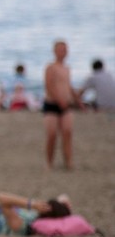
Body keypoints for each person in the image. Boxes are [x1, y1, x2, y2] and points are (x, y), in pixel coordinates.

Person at [0, 190, 72, 236]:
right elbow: (64, 198)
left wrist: (32, 204)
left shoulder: (23, 227)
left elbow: (2, 198)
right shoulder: (35, 218)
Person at [43, 40, 80, 170]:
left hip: (66, 105)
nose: (63, 52)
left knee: (67, 132)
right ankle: (49, 162)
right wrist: (59, 101)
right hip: (52, 105)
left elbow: (69, 86)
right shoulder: (51, 67)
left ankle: (68, 161)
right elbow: (49, 86)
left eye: (65, 50)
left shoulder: (67, 68)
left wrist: (78, 101)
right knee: (52, 135)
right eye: (60, 50)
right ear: (55, 51)